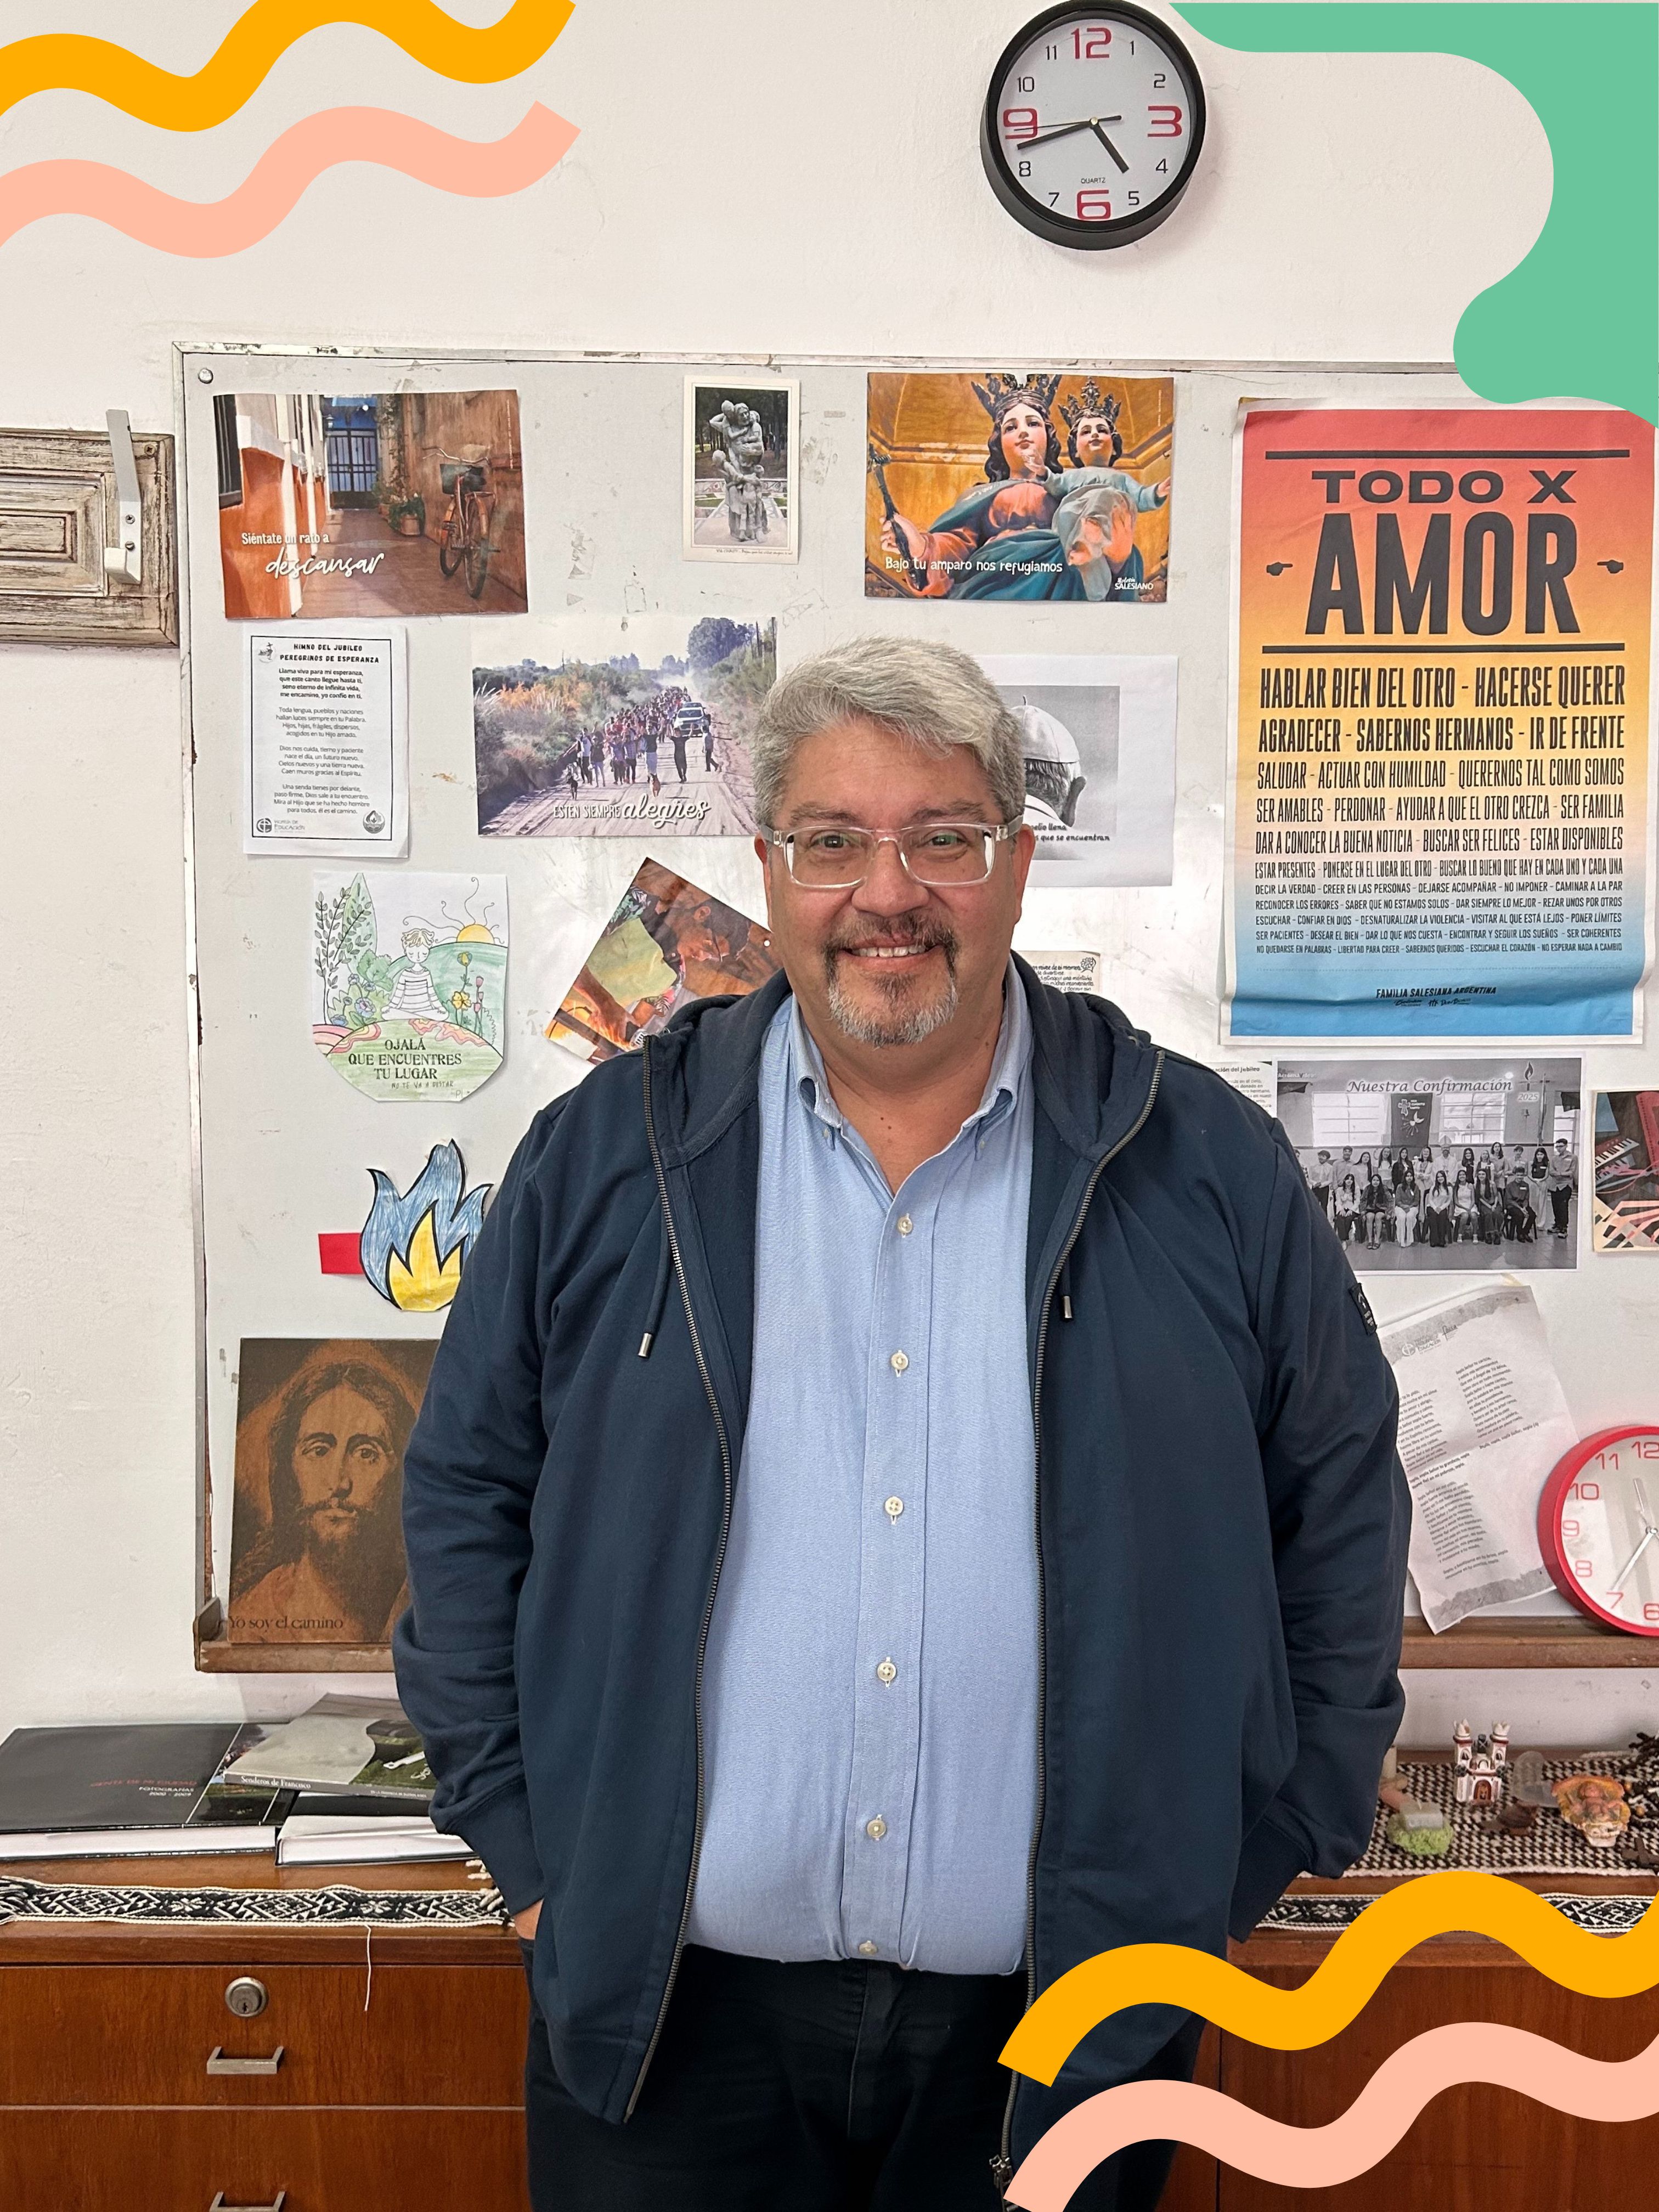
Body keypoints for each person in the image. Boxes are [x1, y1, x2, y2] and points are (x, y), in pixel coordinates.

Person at [394, 637, 1406, 2212]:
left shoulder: (1202, 1162)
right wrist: (530, 1858)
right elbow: (465, 1494)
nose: (889, 893)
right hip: (665, 2016)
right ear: (769, 866)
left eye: (944, 836)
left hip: (1072, 2019)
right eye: (833, 841)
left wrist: (1262, 1847)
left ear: (1017, 863)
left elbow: (1338, 1503)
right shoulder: (606, 1158)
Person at [876, 375, 1157, 602]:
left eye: (1033, 424)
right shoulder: (979, 495)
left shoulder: (1071, 488)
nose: (1023, 431)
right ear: (999, 442)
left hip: (1064, 583)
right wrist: (920, 547)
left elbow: (1101, 541)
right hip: (994, 583)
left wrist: (1120, 558)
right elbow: (955, 547)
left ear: (1048, 436)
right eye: (1010, 427)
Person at [230, 1354, 416, 1643]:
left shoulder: (420, 1596)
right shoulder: (256, 1619)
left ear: (399, 1473)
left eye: (366, 1453)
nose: (339, 1484)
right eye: (319, 1451)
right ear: (289, 1469)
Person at [1548, 1137, 1577, 1237]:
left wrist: (1560, 1174)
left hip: (1566, 1185)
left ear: (1566, 1146)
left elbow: (1571, 1173)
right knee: (1555, 1206)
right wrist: (1560, 1174)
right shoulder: (1554, 1158)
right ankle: (1557, 1225)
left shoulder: (1573, 1157)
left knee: (1563, 1207)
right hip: (1555, 1185)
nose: (1559, 1149)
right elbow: (1551, 1171)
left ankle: (1564, 1229)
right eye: (1557, 1147)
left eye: (1561, 1146)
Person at [1424, 1171, 1453, 1248]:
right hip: (1432, 1207)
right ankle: (1434, 1241)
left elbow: (1448, 1201)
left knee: (1442, 1216)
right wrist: (1435, 1208)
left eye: (1441, 1176)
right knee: (1433, 1217)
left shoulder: (1449, 1189)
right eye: (1438, 1177)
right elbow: (1430, 1200)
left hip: (1442, 1207)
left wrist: (1441, 1208)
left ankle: (1441, 1241)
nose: (1440, 1178)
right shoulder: (1433, 1187)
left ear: (1445, 1177)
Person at [1333, 1172, 1360, 1244]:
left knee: (1348, 1218)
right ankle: (1344, 1240)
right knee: (1341, 1218)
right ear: (1345, 1180)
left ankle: (1343, 1239)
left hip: (1353, 1209)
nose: (1349, 1181)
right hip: (1342, 1208)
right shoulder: (1339, 1190)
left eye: (1351, 1180)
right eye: (1348, 1179)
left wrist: (1352, 1210)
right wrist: (1341, 1209)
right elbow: (1338, 1201)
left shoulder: (1356, 1189)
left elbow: (1357, 1202)